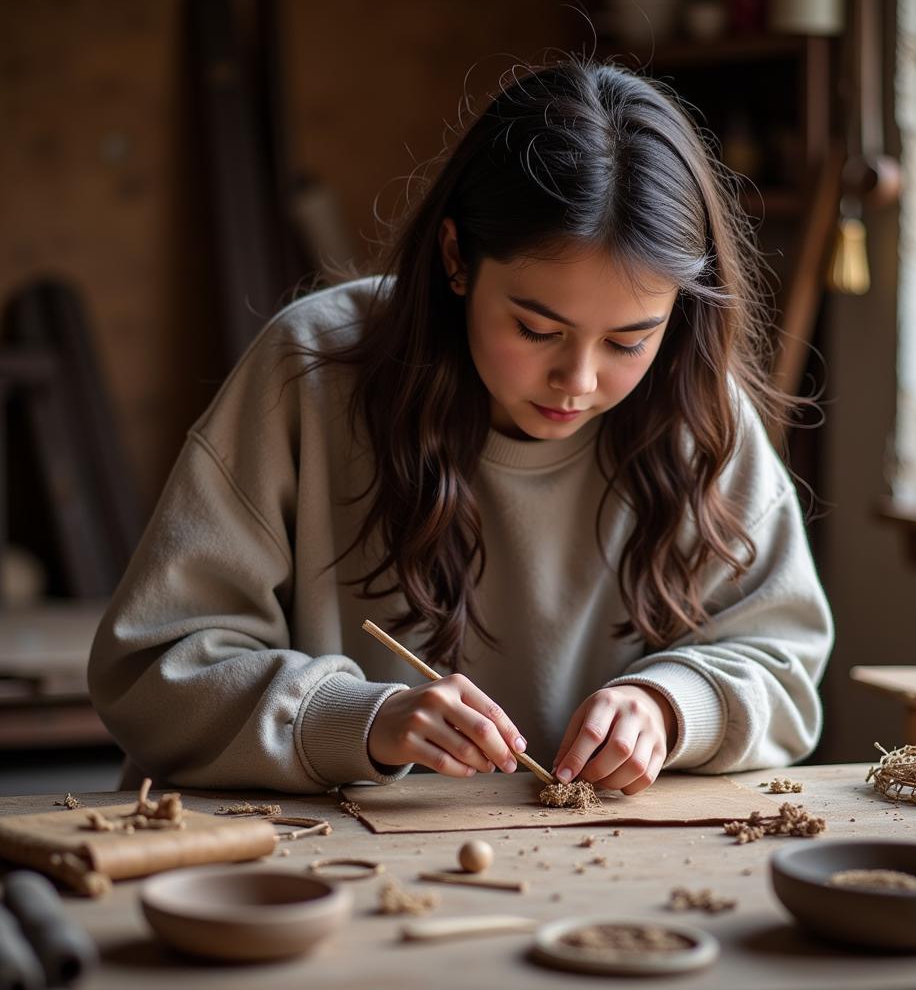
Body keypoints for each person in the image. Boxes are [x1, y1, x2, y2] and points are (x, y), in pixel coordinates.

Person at [88, 55, 833, 795]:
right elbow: (155, 669)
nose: (577, 382)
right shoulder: (309, 367)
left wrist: (671, 707)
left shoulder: (696, 409)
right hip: (311, 862)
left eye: (628, 341)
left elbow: (784, 666)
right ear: (457, 259)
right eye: (537, 329)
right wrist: (359, 721)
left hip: (576, 872)